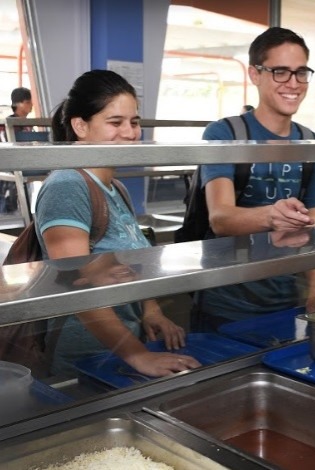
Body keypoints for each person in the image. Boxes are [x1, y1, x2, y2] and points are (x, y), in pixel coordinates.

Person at [36, 69, 200, 378]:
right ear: (80, 126)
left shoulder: (115, 188)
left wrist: (151, 311)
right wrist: (138, 356)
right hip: (83, 360)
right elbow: (78, 289)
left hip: (122, 349)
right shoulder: (67, 186)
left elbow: (130, 259)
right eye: (115, 123)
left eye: (134, 122)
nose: (130, 133)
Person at [194, 27, 315, 330]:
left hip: (286, 299)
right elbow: (221, 219)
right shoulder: (224, 134)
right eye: (280, 72)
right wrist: (274, 216)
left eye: (301, 73)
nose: (293, 84)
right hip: (225, 301)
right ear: (255, 74)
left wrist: (314, 293)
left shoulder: (312, 144)